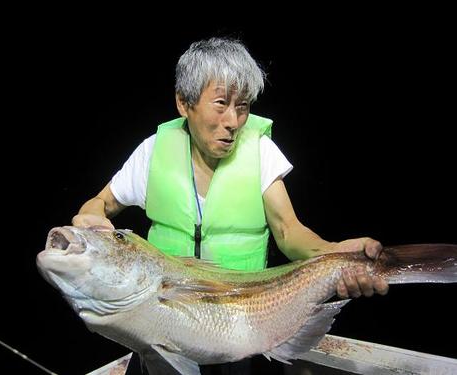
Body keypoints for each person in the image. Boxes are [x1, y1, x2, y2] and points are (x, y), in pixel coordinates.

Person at [71, 36, 389, 374]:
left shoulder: (260, 151)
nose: (234, 121)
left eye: (243, 107)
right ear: (184, 103)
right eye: (221, 103)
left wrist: (333, 251)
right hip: (162, 327)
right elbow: (103, 202)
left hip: (242, 327)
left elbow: (288, 230)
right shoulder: (153, 152)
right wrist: (91, 213)